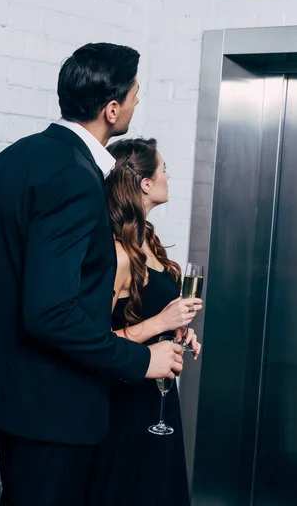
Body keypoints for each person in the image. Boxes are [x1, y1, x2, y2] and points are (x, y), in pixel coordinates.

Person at [0, 43, 186, 506]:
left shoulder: (10, 160)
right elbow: (50, 313)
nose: (137, 105)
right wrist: (143, 360)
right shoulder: (74, 178)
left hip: (11, 399)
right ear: (111, 109)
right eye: (135, 96)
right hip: (56, 410)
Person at [87, 138, 202, 506]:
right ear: (145, 183)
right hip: (127, 405)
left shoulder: (148, 242)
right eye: (163, 169)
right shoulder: (117, 255)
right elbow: (91, 341)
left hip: (158, 400)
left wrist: (178, 330)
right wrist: (160, 322)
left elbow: (149, 316)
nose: (169, 176)